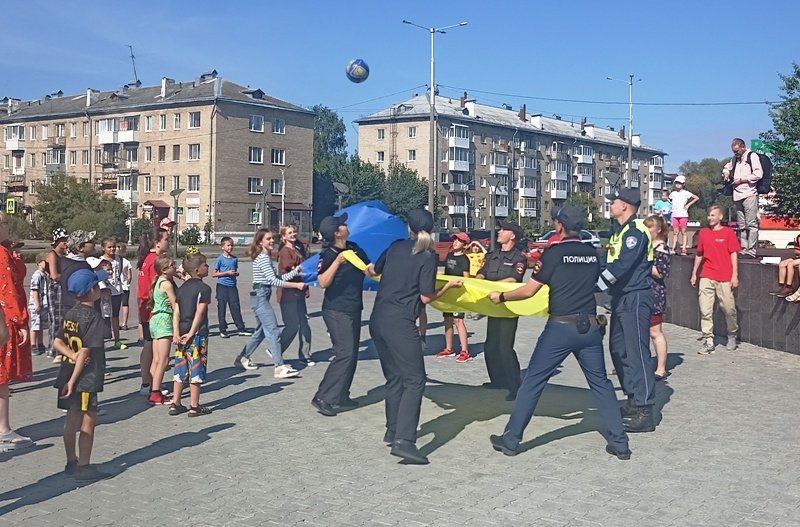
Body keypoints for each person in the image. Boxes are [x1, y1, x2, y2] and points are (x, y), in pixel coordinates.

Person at [487, 205, 631, 460]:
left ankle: (511, 440)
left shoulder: (554, 253)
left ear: (560, 226)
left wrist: (502, 296)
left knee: (533, 382)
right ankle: (620, 443)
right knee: (600, 383)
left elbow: (529, 290)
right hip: (589, 327)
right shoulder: (591, 253)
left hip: (560, 328)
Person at [367, 209, 462, 465]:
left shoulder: (395, 246)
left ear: (408, 227)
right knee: (415, 380)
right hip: (400, 323)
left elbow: (373, 270)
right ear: (430, 230)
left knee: (395, 378)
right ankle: (404, 442)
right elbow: (425, 297)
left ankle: (392, 430)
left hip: (377, 321)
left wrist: (368, 268)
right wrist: (448, 287)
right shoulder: (428, 256)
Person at [597, 188, 656, 433]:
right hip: (621, 298)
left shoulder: (636, 232)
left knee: (636, 352)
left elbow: (622, 265)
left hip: (636, 296)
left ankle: (645, 410)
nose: (610, 205)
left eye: (614, 202)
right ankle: (633, 398)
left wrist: (596, 285)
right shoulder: (619, 232)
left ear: (625, 206)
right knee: (618, 350)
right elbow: (608, 261)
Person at [53, 268, 110, 481]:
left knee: (70, 419)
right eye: (98, 286)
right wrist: (75, 375)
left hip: (67, 371)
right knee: (88, 420)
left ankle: (71, 461)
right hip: (84, 378)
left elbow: (57, 342)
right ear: (92, 291)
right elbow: (86, 351)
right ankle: (84, 466)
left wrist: (71, 354)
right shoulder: (94, 318)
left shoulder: (70, 314)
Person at [311, 213, 371, 416]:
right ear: (337, 233)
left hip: (354, 307)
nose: (347, 225)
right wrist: (338, 262)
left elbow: (368, 269)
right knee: (344, 353)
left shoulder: (354, 248)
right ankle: (323, 397)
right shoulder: (328, 255)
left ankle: (341, 395)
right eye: (343, 224)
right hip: (335, 309)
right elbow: (322, 282)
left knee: (352, 354)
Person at [234, 229, 307, 378]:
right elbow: (274, 281)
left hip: (261, 296)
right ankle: (279, 367)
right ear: (260, 242)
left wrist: (295, 272)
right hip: (260, 297)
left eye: (273, 238)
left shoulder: (266, 257)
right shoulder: (263, 258)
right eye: (268, 239)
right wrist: (296, 285)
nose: (272, 241)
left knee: (261, 332)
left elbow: (276, 277)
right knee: (272, 331)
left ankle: (243, 357)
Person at [476, 220, 528, 401]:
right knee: (491, 346)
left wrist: (491, 287)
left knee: (505, 347)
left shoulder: (519, 258)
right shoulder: (492, 255)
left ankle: (515, 386)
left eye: (504, 230)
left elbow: (514, 280)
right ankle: (498, 380)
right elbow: (481, 273)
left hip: (508, 306)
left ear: (512, 236)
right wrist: (479, 281)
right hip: (493, 306)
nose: (499, 232)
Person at [0, 212, 34, 452]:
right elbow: (9, 290)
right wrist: (19, 321)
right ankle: (3, 429)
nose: (7, 227)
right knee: (2, 377)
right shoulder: (1, 255)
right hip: (3, 320)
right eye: (4, 223)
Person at [690, 205, 740, 354]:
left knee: (728, 308)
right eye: (709, 215)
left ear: (720, 217)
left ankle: (732, 334)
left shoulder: (728, 233)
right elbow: (699, 254)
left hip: (725, 276)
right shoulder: (704, 233)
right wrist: (694, 273)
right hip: (707, 275)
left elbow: (733, 254)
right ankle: (708, 339)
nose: (710, 218)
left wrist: (735, 275)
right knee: (705, 309)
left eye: (713, 215)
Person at [170, 250, 213, 417]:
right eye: (205, 265)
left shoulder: (181, 289)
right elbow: (199, 313)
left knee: (180, 367)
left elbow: (177, 312)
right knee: (197, 368)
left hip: (181, 334)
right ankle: (194, 406)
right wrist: (192, 332)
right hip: (197, 334)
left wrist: (176, 332)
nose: (208, 267)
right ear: (197, 270)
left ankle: (175, 403)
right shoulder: (204, 289)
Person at [136, 228, 170, 395]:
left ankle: (147, 382)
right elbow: (158, 286)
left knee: (148, 346)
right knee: (154, 350)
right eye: (166, 239)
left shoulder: (146, 258)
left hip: (145, 308)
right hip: (153, 311)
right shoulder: (155, 261)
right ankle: (151, 385)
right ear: (157, 243)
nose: (168, 242)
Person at [58, 231, 96, 364]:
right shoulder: (80, 266)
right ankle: (82, 367)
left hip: (68, 307)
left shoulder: (65, 261)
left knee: (72, 342)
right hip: (79, 308)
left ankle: (73, 366)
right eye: (90, 242)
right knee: (82, 342)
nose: (94, 243)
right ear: (80, 247)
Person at [277, 225, 313, 365]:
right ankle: (276, 350)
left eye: (294, 232)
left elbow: (303, 267)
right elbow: (291, 271)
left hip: (299, 291)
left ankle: (304, 354)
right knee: (292, 325)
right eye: (289, 233)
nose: (293, 234)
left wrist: (307, 287)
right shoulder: (285, 251)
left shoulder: (297, 248)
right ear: (283, 237)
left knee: (304, 323)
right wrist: (305, 273)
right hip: (288, 292)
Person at [435, 232, 472, 363]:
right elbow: (446, 273)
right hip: (448, 294)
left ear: (464, 245)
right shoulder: (449, 255)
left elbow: (466, 278)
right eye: (454, 240)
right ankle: (449, 348)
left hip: (458, 295)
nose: (455, 242)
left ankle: (465, 351)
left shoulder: (464, 259)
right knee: (447, 320)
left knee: (459, 321)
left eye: (459, 241)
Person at [147, 254, 180, 405]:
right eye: (173, 265)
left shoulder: (158, 281)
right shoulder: (167, 284)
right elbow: (175, 305)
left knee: (156, 359)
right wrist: (177, 328)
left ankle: (154, 386)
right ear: (165, 269)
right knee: (164, 360)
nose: (175, 267)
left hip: (155, 320)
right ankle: (155, 393)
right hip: (164, 321)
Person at [723, 138, 763, 259]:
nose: (735, 153)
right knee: (741, 224)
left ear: (743, 147)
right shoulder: (735, 158)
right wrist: (725, 172)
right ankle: (744, 248)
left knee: (751, 223)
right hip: (737, 194)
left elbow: (758, 174)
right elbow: (727, 166)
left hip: (749, 193)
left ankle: (751, 250)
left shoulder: (752, 156)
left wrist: (742, 180)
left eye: (737, 151)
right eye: (733, 151)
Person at [644, 215, 672, 380]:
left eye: (650, 228)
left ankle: (661, 368)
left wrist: (644, 263)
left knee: (655, 331)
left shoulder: (661, 248)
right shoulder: (647, 245)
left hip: (655, 293)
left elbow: (660, 273)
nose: (647, 231)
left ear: (659, 230)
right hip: (644, 292)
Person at [212, 237, 250, 338]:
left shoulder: (234, 259)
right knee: (222, 307)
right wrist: (226, 273)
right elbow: (214, 274)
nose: (230, 247)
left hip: (232, 286)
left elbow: (235, 270)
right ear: (222, 247)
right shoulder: (219, 259)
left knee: (235, 307)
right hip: (222, 286)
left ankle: (241, 328)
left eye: (232, 245)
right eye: (228, 245)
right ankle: (223, 330)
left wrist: (235, 273)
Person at [45, 228, 69, 357]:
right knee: (56, 319)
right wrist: (67, 275)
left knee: (63, 319)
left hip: (63, 288)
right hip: (55, 289)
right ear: (57, 241)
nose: (66, 242)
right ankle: (53, 348)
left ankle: (61, 346)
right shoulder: (52, 255)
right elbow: (54, 275)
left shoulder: (63, 256)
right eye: (63, 240)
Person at [669, 175, 699, 255]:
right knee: (675, 232)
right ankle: (673, 247)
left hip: (683, 214)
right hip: (675, 214)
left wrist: (688, 205)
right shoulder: (673, 193)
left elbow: (696, 198)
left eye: (680, 183)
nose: (678, 184)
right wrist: (671, 205)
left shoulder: (686, 193)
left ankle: (684, 248)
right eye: (677, 183)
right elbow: (669, 199)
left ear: (683, 184)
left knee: (683, 231)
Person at [29, 252, 50, 356]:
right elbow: (35, 290)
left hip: (43, 304)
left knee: (41, 325)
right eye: (45, 262)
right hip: (36, 304)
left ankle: (40, 344)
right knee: (35, 325)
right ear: (39, 263)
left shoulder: (44, 275)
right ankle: (33, 345)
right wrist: (37, 304)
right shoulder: (37, 275)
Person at [770, 233, 800, 298]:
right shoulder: (798, 237)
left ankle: (789, 287)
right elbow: (796, 250)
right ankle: (781, 286)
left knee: (790, 264)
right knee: (782, 264)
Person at [117, 242, 133, 330]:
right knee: (125, 304)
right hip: (125, 286)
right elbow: (130, 275)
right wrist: (127, 282)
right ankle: (124, 323)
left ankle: (115, 323)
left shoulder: (114, 261)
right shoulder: (127, 262)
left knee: (115, 305)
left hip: (116, 286)